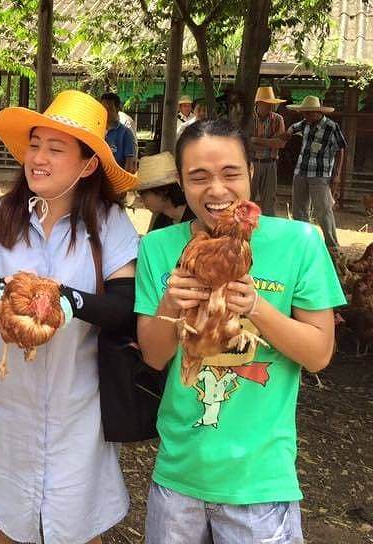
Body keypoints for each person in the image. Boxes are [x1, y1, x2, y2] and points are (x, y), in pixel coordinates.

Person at [0, 90, 141, 543]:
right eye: (34, 145)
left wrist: (61, 300)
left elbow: (122, 307)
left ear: (88, 164)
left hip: (76, 405)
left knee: (75, 525)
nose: (38, 158)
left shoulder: (110, 224)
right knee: (0, 522)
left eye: (56, 150)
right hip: (0, 400)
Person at [135, 117, 342, 544]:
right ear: (181, 181)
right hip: (179, 473)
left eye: (230, 173)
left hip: (260, 481)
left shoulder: (300, 242)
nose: (216, 190)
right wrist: (171, 304)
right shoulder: (158, 247)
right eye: (198, 177)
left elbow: (319, 353)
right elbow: (153, 357)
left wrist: (257, 308)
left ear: (250, 171)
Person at [281, 95, 347, 252]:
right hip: (301, 171)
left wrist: (337, 174)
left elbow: (341, 149)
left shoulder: (331, 126)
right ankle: (302, 242)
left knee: (323, 210)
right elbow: (293, 127)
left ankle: (333, 246)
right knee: (299, 210)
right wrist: (288, 133)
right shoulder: (304, 123)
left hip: (320, 174)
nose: (306, 116)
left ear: (318, 112)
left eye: (309, 113)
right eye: (304, 113)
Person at [249, 86, 287, 216]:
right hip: (251, 164)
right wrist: (270, 142)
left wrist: (256, 140)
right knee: (247, 200)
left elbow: (281, 143)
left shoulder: (277, 119)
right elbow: (245, 143)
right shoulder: (248, 119)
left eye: (272, 104)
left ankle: (268, 231)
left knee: (269, 202)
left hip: (270, 163)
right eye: (267, 103)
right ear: (258, 103)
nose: (270, 106)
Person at [135, 151, 196, 231]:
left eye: (142, 193)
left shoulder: (196, 219)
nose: (141, 199)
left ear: (163, 191)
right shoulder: (162, 219)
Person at [101, 92, 137, 173]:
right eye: (103, 108)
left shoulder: (125, 133)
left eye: (110, 109)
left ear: (117, 109)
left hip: (117, 179)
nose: (106, 112)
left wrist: (124, 181)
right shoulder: (96, 129)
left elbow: (129, 163)